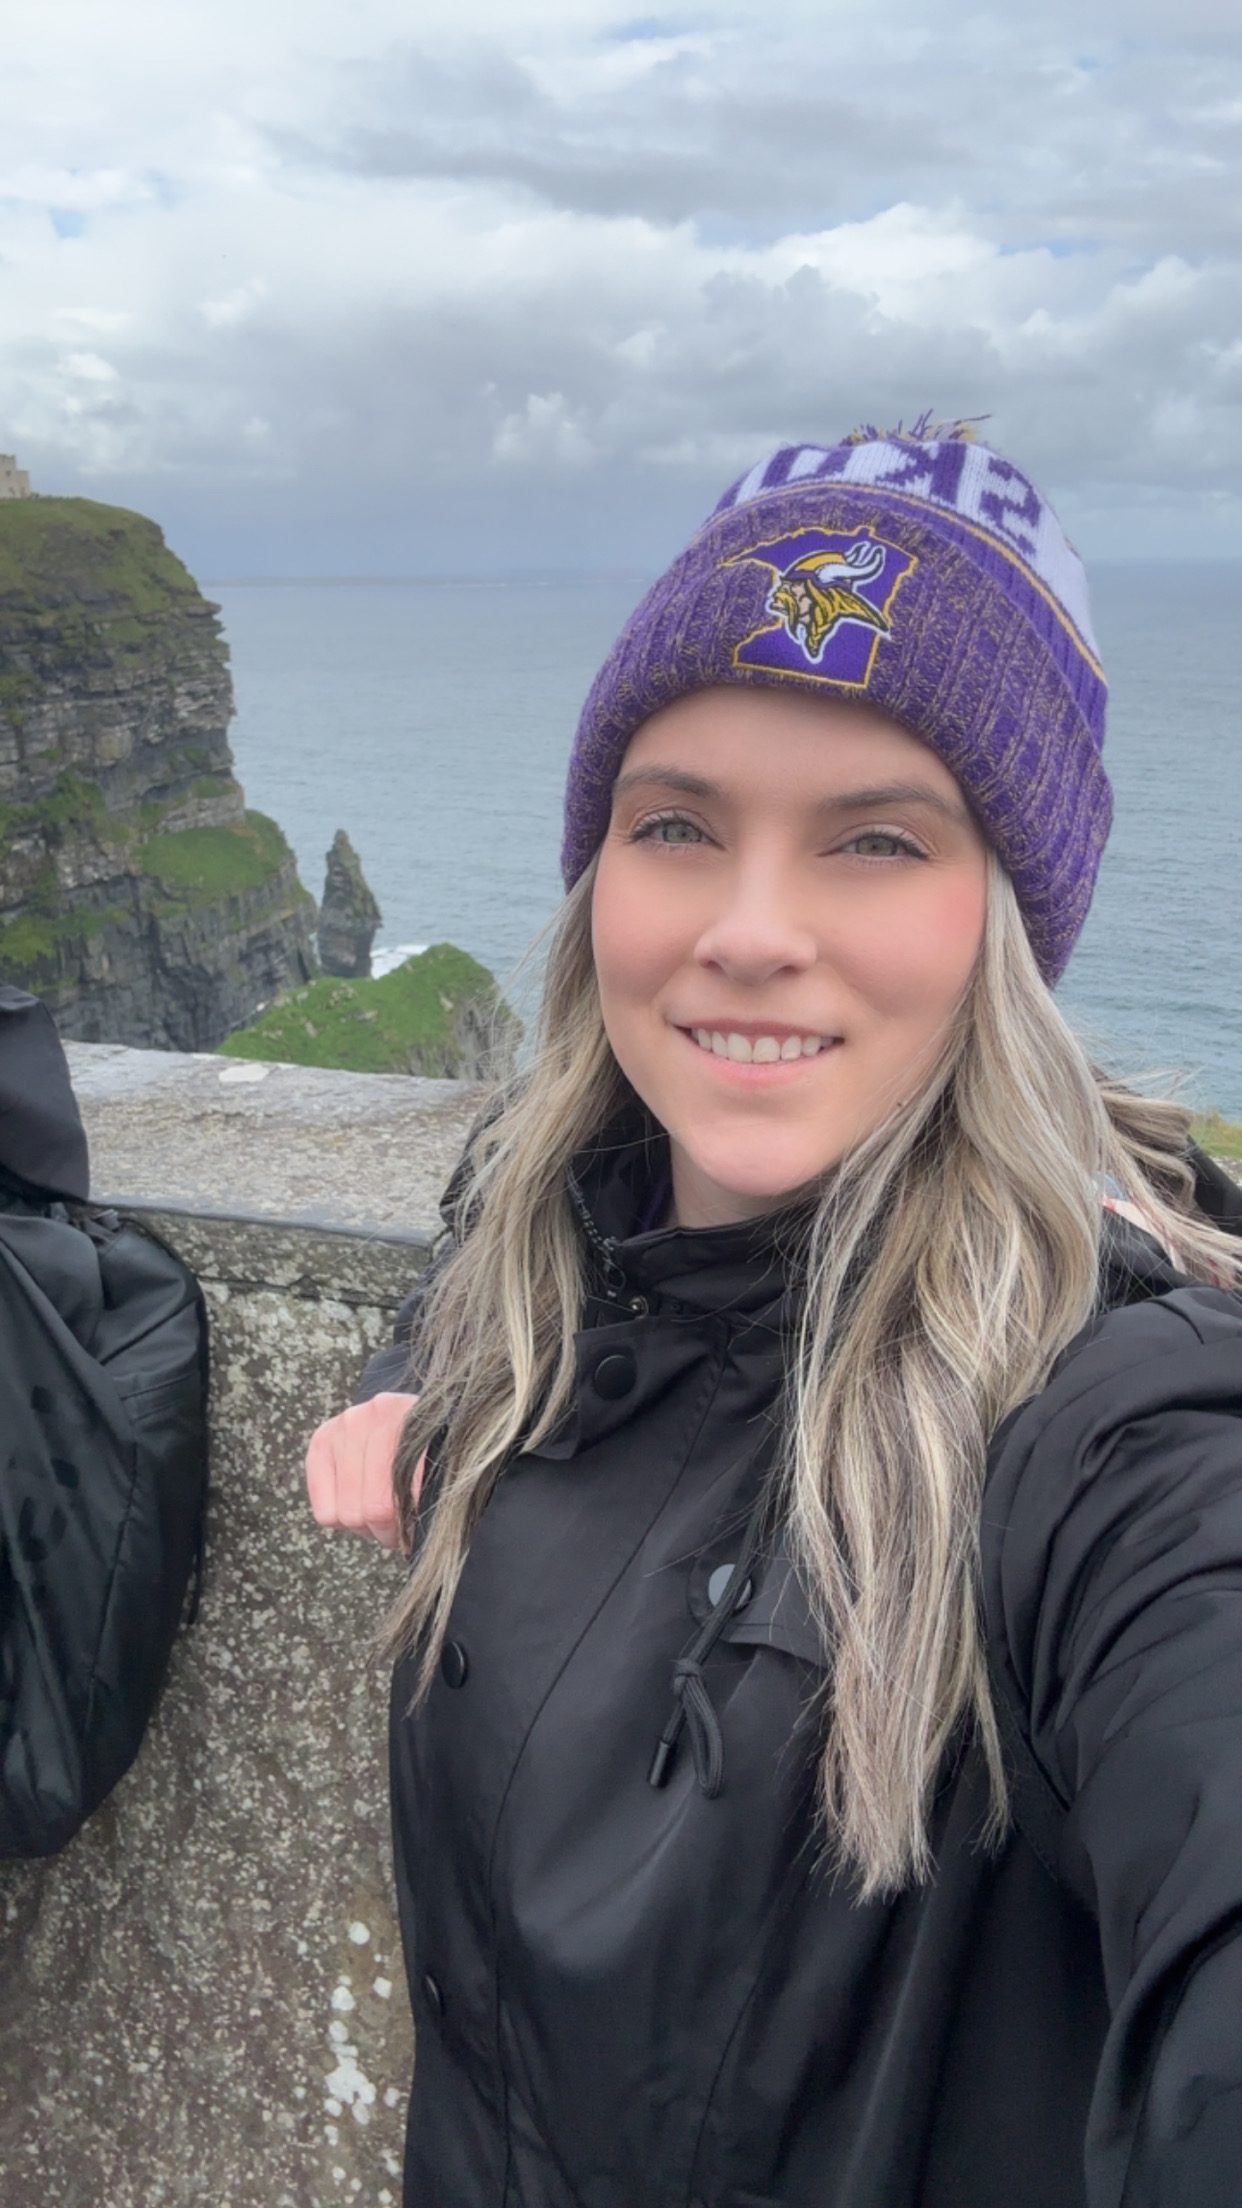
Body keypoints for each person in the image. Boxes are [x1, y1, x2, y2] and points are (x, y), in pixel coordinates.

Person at [305, 419, 1242, 2208]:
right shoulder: (563, 1197)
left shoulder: (1112, 1425)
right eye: (675, 825)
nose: (746, 930)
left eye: (874, 841)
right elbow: (506, 1234)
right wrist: (422, 1377)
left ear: (1005, 921)